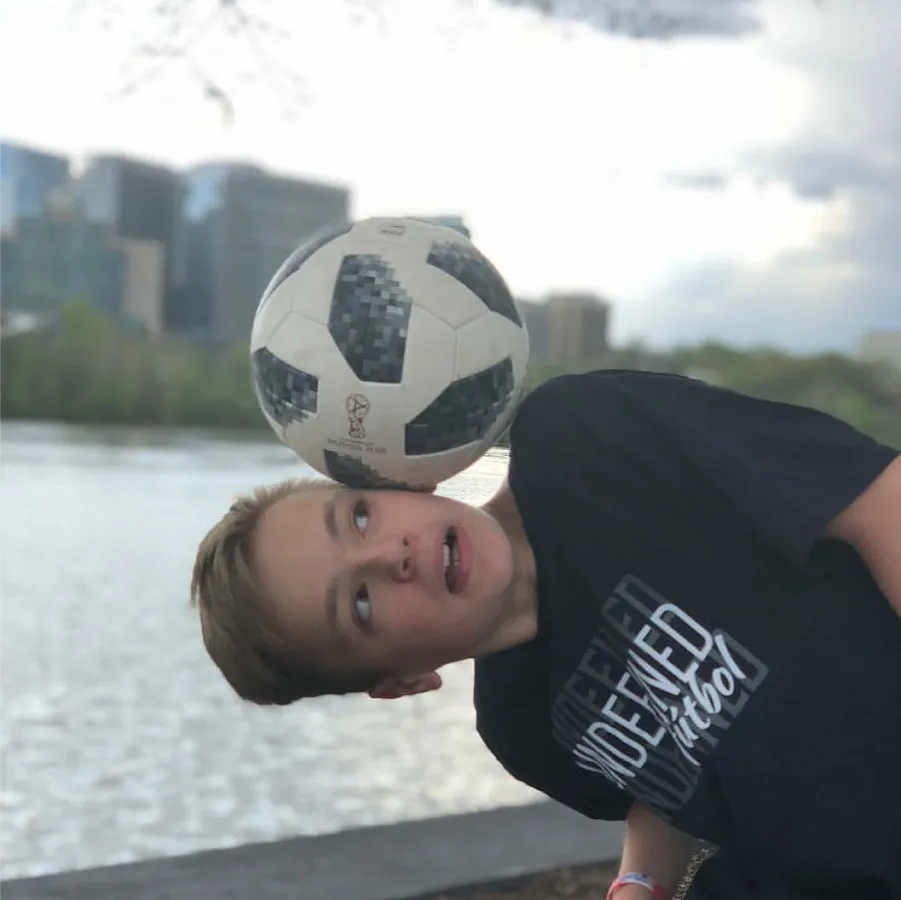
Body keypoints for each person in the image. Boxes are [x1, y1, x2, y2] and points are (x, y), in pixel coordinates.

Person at [190, 368, 901, 900]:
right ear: (403, 683)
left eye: (358, 519)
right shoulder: (523, 728)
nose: (390, 555)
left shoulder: (581, 439)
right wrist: (641, 882)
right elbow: (676, 776)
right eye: (362, 604)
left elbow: (876, 499)